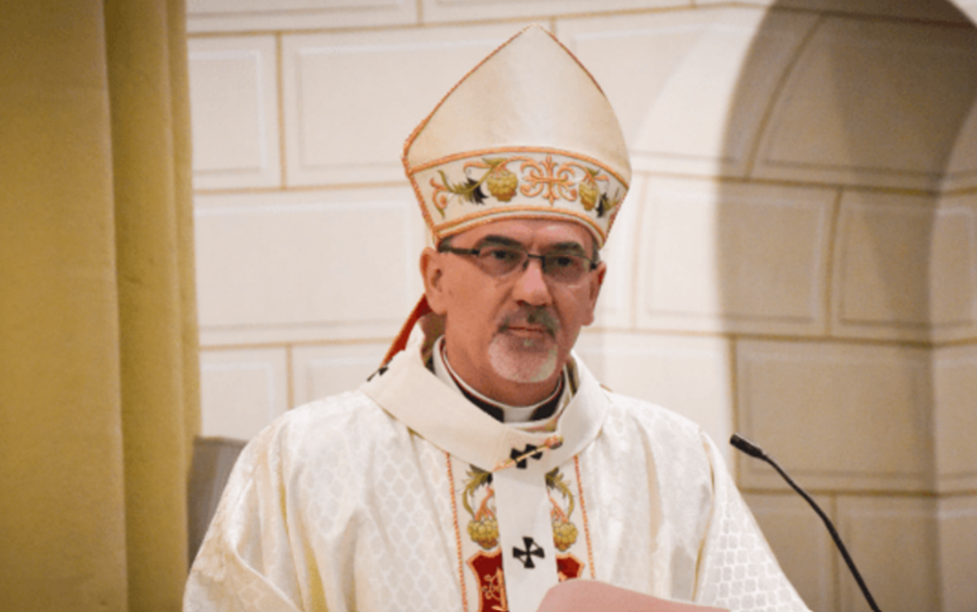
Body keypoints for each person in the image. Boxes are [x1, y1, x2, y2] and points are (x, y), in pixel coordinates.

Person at [184, 25, 809, 612]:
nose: (534, 289)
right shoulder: (306, 462)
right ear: (435, 279)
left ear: (593, 291)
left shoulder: (675, 465)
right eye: (500, 254)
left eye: (564, 261)